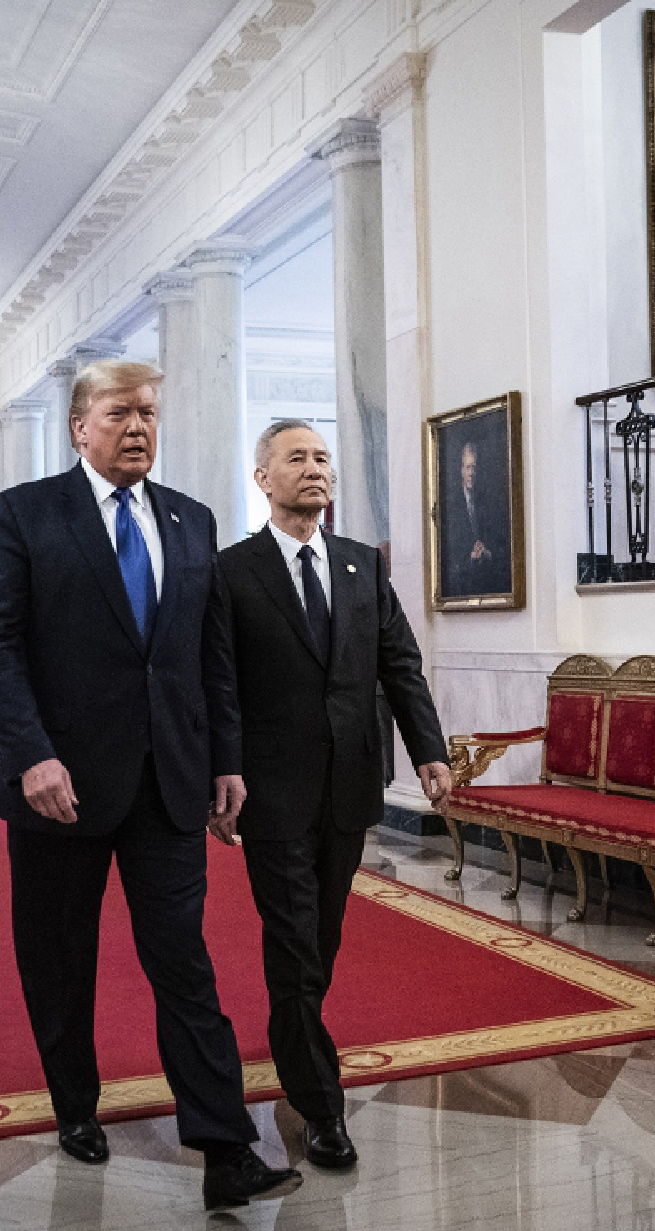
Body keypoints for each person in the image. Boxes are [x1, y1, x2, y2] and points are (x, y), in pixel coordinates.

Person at [0, 360, 301, 1210]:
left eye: (149, 412)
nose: (139, 427)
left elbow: (209, 657)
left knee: (183, 962)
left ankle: (225, 1148)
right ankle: (75, 1108)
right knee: (59, 959)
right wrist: (31, 751)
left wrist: (226, 761)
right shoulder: (26, 512)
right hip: (58, 784)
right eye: (120, 412)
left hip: (168, 783)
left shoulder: (191, 521)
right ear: (81, 426)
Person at [214, 420, 451, 1169]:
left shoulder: (360, 567)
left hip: (349, 786)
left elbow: (399, 665)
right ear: (263, 478)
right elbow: (218, 684)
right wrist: (221, 773)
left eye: (322, 458)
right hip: (271, 791)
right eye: (296, 458)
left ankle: (296, 1030)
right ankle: (321, 1104)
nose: (314, 469)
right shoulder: (232, 571)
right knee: (292, 941)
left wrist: (431, 754)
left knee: (320, 942)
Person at [440, 438, 510, 597]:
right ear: (461, 470)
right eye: (468, 467)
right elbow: (447, 558)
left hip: (488, 583)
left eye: (474, 467)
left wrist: (487, 553)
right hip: (461, 588)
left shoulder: (489, 502)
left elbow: (501, 543)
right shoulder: (450, 505)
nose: (471, 473)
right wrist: (470, 558)